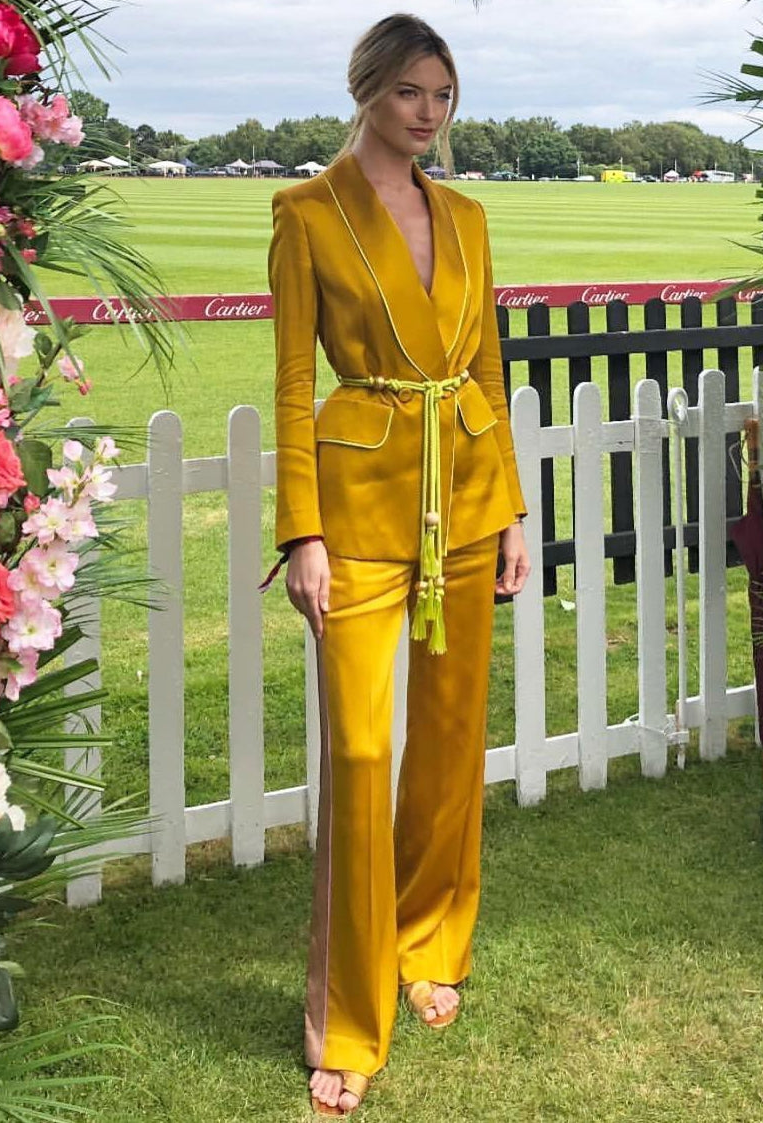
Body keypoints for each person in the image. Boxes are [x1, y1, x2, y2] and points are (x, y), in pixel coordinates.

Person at [263, 13, 531, 1117]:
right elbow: (288, 382)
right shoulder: (306, 214)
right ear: (367, 87)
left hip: (468, 504)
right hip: (361, 512)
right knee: (364, 753)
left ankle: (432, 942)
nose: (429, 112)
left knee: (452, 740)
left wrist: (514, 512)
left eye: (445, 95)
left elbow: (488, 372)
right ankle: (348, 1016)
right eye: (413, 91)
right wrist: (302, 533)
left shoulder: (467, 215)